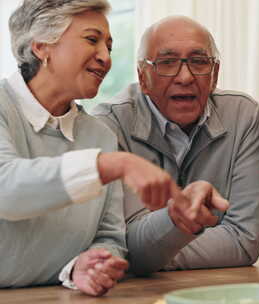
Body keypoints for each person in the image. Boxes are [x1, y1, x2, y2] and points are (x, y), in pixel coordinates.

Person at [0, 0, 219, 296]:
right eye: (92, 40)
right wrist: (114, 164)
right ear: (41, 46)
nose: (105, 57)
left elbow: (110, 237)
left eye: (110, 47)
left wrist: (87, 265)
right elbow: (7, 189)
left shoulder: (98, 135)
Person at [92, 16, 259, 274]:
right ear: (143, 77)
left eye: (199, 62)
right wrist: (142, 247)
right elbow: (126, 247)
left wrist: (151, 251)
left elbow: (244, 242)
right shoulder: (110, 124)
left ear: (215, 74)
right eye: (167, 62)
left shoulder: (242, 115)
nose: (185, 77)